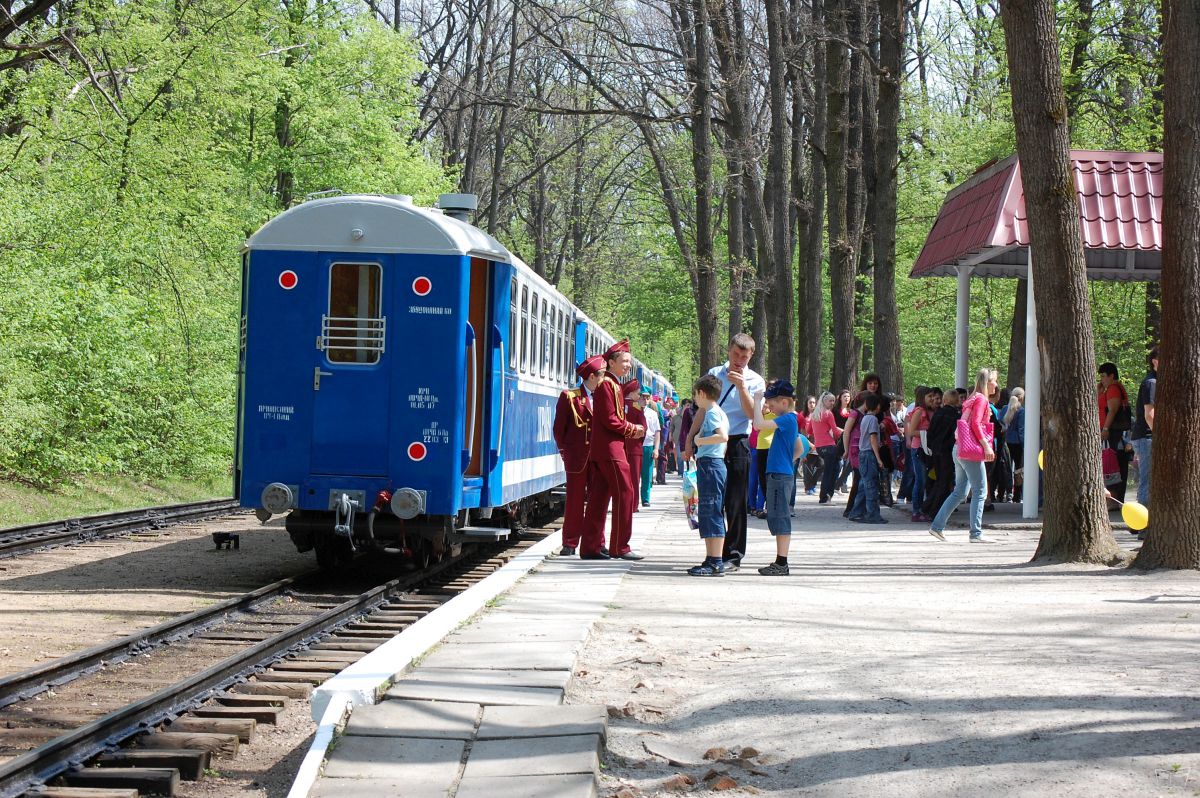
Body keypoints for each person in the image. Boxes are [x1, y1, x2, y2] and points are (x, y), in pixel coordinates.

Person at [684, 333, 765, 569]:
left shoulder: (755, 381)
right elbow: (704, 408)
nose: (739, 360)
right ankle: (715, 554)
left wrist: (741, 387)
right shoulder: (715, 372)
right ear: (729, 351)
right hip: (712, 441)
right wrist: (690, 438)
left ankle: (733, 554)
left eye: (744, 356)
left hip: (738, 441)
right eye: (736, 354)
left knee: (736, 500)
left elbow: (752, 415)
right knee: (712, 499)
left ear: (751, 356)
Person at [581, 340, 645, 560]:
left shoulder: (610, 383)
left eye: (629, 362)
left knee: (599, 498)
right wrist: (632, 429)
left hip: (604, 449)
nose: (628, 365)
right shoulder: (609, 384)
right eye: (624, 361)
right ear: (610, 362)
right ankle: (620, 546)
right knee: (626, 493)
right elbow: (610, 419)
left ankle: (591, 547)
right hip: (611, 450)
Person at [929, 368, 999, 543]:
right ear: (987, 382)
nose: (996, 385)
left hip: (959, 449)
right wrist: (986, 446)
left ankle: (937, 526)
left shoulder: (971, 399)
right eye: (994, 381)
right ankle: (975, 533)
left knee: (960, 492)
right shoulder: (982, 399)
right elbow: (975, 424)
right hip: (971, 452)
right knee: (980, 492)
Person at [552, 354, 606, 556]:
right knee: (574, 502)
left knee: (598, 502)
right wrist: (565, 452)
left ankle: (597, 543)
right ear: (592, 376)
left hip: (599, 457)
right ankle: (570, 543)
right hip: (577, 457)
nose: (603, 379)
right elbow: (559, 428)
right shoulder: (570, 396)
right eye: (601, 375)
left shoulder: (604, 396)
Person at [752, 380, 800, 574]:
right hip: (780, 472)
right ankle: (780, 562)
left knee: (780, 518)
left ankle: (782, 563)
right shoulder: (789, 421)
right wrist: (788, 460)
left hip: (780, 475)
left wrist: (756, 401)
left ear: (784, 402)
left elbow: (758, 425)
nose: (769, 408)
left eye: (772, 405)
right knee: (777, 516)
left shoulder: (788, 419)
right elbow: (799, 446)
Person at [688, 374, 729, 577]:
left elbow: (722, 436)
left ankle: (716, 561)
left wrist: (699, 441)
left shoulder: (712, 412)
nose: (695, 399)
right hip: (712, 465)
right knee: (709, 511)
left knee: (711, 511)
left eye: (695, 394)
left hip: (711, 465)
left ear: (702, 393)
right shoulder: (715, 411)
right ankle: (711, 557)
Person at [848, 393, 888, 524]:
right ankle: (873, 514)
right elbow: (873, 438)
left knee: (863, 485)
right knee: (871, 486)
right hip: (869, 455)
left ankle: (856, 512)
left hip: (862, 454)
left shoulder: (864, 418)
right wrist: (879, 458)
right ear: (877, 406)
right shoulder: (873, 420)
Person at [1098, 362, 1132, 505]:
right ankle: (1113, 500)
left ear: (1112, 376)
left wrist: (1105, 429)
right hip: (1110, 431)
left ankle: (1114, 500)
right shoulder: (1106, 389)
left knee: (1113, 465)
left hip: (1113, 433)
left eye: (1104, 376)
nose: (1102, 379)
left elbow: (1112, 410)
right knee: (1110, 464)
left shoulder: (1113, 388)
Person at [922, 389, 959, 517]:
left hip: (936, 451)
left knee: (938, 481)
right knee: (945, 482)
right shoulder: (956, 415)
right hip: (947, 452)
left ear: (945, 400)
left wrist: (931, 447)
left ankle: (927, 507)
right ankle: (934, 511)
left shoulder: (938, 413)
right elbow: (954, 435)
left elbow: (930, 432)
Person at [1131, 347, 1157, 507]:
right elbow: (1149, 415)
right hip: (1146, 437)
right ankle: (1142, 526)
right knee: (1147, 480)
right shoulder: (1151, 383)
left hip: (1148, 437)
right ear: (1155, 361)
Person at [903, 387, 933, 523]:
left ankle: (921, 509)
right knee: (920, 481)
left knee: (924, 481)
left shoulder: (927, 411)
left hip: (925, 449)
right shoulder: (919, 411)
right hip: (918, 449)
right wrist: (926, 433)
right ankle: (916, 511)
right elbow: (912, 431)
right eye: (929, 396)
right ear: (923, 398)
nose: (932, 399)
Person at [811, 392, 841, 503]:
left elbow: (809, 430)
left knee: (829, 471)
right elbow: (835, 432)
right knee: (832, 471)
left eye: (834, 400)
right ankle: (826, 497)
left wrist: (820, 433)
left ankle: (824, 497)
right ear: (824, 401)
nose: (833, 403)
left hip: (819, 446)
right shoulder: (828, 414)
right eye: (830, 400)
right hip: (829, 446)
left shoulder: (815, 414)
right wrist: (844, 432)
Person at [623, 381, 647, 512]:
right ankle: (633, 505)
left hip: (621, 447)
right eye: (638, 394)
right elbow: (644, 427)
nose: (639, 397)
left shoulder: (619, 405)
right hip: (635, 448)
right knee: (634, 478)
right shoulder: (637, 408)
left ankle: (623, 504)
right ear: (631, 393)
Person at [1004, 388, 1025, 502]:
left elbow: (1000, 421)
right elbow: (1021, 430)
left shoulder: (1005, 409)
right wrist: (1024, 445)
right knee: (1018, 469)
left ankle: (1007, 493)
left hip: (1006, 442)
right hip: (1017, 443)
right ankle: (1017, 495)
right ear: (1022, 397)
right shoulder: (1021, 411)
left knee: (1007, 468)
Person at [640, 388, 660, 505]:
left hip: (648, 445)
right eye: (643, 397)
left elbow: (657, 431)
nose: (645, 400)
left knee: (647, 473)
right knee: (633, 474)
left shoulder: (652, 413)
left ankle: (645, 498)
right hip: (635, 446)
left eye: (648, 397)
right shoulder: (632, 410)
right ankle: (633, 499)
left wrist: (656, 448)